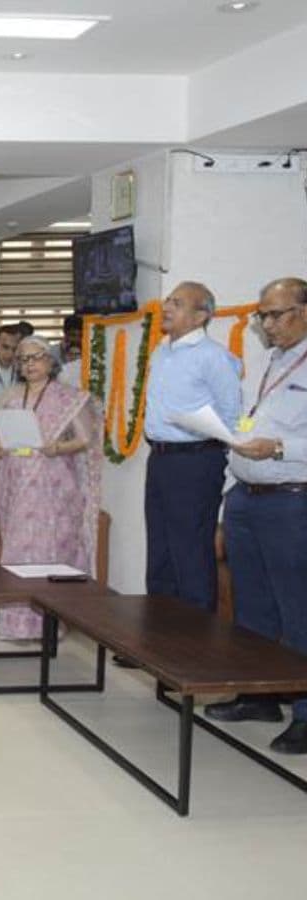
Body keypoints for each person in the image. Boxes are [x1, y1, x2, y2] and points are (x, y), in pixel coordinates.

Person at [204, 277, 307, 754]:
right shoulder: (272, 362)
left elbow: (280, 438)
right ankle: (259, 694)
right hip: (247, 496)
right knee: (253, 604)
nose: (266, 324)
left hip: (292, 500)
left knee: (298, 607)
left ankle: (305, 713)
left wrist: (282, 445)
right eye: (262, 315)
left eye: (276, 314)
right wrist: (231, 498)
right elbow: (246, 430)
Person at [0, 336, 101, 639]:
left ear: (50, 361)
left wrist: (58, 448)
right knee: (16, 550)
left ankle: (49, 624)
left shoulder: (69, 397)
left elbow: (86, 439)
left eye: (36, 358)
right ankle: (15, 625)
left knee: (49, 552)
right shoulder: (9, 396)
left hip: (52, 486)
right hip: (15, 482)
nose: (29, 364)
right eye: (23, 359)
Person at [143, 281, 241, 614]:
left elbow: (233, 416)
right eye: (168, 300)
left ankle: (195, 645)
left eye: (178, 303)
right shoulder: (161, 350)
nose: (167, 307)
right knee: (160, 549)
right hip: (159, 458)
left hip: (196, 462)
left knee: (190, 552)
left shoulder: (214, 357)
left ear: (201, 315)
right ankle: (158, 638)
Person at [57, 314, 84, 389]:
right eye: (72, 335)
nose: (76, 339)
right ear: (64, 333)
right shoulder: (53, 353)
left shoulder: (90, 353)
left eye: (80, 336)